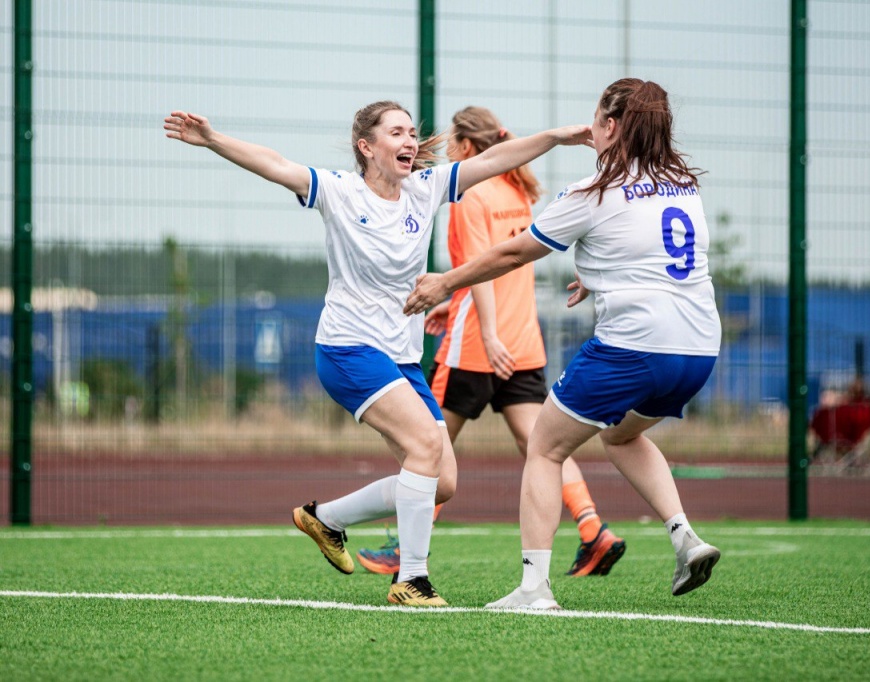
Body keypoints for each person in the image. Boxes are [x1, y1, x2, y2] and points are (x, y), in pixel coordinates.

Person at [164, 103, 591, 607]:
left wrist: (556, 137)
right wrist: (214, 139)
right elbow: (274, 163)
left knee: (443, 481)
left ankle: (327, 519)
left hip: (401, 358)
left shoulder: (425, 189)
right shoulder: (340, 192)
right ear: (367, 147)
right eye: (396, 132)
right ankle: (412, 579)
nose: (410, 140)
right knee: (425, 451)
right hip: (348, 349)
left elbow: (497, 160)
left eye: (412, 132)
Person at [405, 78, 722, 609]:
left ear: (611, 126)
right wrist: (599, 275)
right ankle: (684, 537)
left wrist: (445, 282)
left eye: (597, 118)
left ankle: (534, 588)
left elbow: (512, 255)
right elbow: (655, 254)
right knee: (620, 436)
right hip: (697, 349)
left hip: (635, 347)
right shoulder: (682, 183)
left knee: (545, 448)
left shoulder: (592, 192)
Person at [356, 106, 625, 578]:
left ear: (463, 147)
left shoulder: (470, 196)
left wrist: (483, 330)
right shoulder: (516, 190)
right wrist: (459, 308)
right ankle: (593, 530)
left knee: (428, 445)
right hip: (523, 342)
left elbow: (480, 271)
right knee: (542, 444)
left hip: (479, 344)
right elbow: (504, 268)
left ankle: (403, 549)